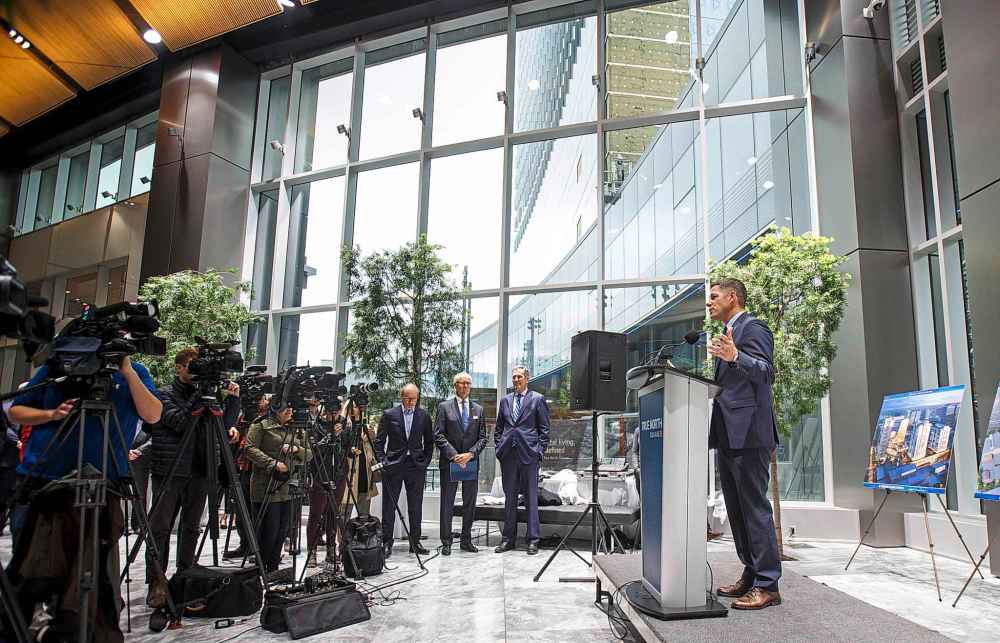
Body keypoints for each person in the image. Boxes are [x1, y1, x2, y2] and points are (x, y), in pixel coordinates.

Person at [8, 355, 161, 641]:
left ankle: (82, 627)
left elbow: (153, 415)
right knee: (32, 569)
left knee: (95, 572)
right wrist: (52, 415)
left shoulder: (134, 372)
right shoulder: (57, 366)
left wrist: (127, 371)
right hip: (45, 482)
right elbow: (16, 411)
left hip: (103, 483)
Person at [706, 277, 782, 610]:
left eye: (714, 296)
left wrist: (736, 356)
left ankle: (768, 585)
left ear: (732, 297)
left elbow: (766, 373)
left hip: (750, 434)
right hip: (728, 434)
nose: (709, 302)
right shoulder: (727, 335)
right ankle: (751, 574)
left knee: (754, 508)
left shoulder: (754, 328)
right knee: (736, 510)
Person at [145, 348, 240, 608]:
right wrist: (200, 396)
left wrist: (232, 400)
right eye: (191, 366)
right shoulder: (162, 394)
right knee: (161, 528)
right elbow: (178, 422)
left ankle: (186, 576)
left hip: (201, 467)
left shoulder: (209, 396)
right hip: (170, 469)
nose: (196, 371)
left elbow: (223, 426)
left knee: (191, 526)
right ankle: (157, 581)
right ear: (178, 367)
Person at [245, 403, 313, 574]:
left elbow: (310, 454)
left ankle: (273, 567)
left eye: (291, 407)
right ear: (275, 408)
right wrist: (272, 463)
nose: (290, 410)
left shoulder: (297, 428)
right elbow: (249, 449)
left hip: (290, 486)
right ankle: (261, 568)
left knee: (283, 529)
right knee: (269, 529)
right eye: (285, 408)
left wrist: (296, 448)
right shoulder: (261, 425)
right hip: (267, 485)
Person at [493, 366, 550, 556]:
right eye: (514, 377)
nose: (516, 380)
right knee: (510, 499)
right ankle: (508, 539)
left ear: (527, 378)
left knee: (531, 499)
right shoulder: (505, 401)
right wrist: (499, 448)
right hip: (508, 456)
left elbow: (544, 430)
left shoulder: (537, 399)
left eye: (519, 377)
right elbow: (499, 428)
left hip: (529, 456)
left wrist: (538, 452)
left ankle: (533, 540)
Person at [374, 383, 434, 559]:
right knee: (389, 506)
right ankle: (387, 542)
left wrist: (425, 461)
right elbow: (379, 442)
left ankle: (414, 542)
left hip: (415, 466)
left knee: (415, 506)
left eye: (414, 398)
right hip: (393, 465)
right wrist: (383, 461)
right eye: (407, 398)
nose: (410, 401)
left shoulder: (423, 415)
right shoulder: (389, 414)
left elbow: (429, 442)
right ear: (401, 397)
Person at [434, 372, 487, 556]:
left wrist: (470, 454)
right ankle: (446, 542)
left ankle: (466, 541)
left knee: (469, 504)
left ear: (470, 386)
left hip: (470, 462)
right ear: (454, 385)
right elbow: (438, 435)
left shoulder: (478, 410)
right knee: (447, 503)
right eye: (461, 383)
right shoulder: (444, 407)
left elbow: (483, 438)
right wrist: (455, 455)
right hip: (451, 461)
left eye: (467, 383)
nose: (464, 386)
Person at [305, 397, 342, 568]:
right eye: (330, 411)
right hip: (319, 473)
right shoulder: (315, 426)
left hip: (338, 474)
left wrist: (343, 435)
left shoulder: (344, 426)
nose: (333, 414)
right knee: (316, 513)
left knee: (333, 514)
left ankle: (331, 549)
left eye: (336, 411)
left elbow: (348, 450)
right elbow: (313, 450)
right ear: (324, 410)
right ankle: (311, 551)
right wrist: (329, 435)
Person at [341, 401, 378, 519]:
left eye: (360, 406)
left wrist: (372, 436)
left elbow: (372, 450)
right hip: (349, 473)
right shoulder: (343, 426)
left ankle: (362, 536)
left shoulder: (365, 427)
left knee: (364, 513)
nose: (359, 409)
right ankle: (343, 536)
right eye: (356, 406)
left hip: (364, 474)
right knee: (345, 510)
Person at [127, 422, 152, 534]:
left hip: (139, 460)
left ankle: (139, 524)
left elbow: (154, 438)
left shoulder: (148, 421)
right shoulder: (127, 420)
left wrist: (139, 451)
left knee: (139, 494)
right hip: (120, 456)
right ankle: (123, 524)